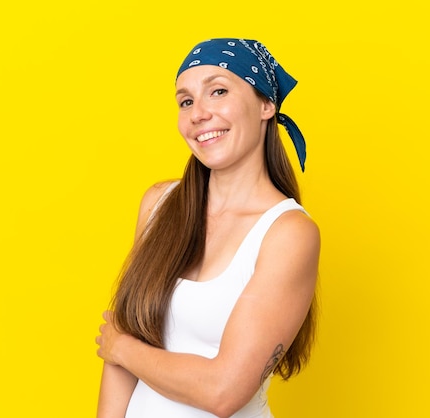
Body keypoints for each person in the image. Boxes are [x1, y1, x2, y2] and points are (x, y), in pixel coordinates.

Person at [95, 38, 320, 418]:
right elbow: (124, 341)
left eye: (218, 91)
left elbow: (223, 391)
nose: (198, 113)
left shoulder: (288, 233)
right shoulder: (159, 205)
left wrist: (123, 349)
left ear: (267, 105)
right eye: (186, 101)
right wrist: (120, 350)